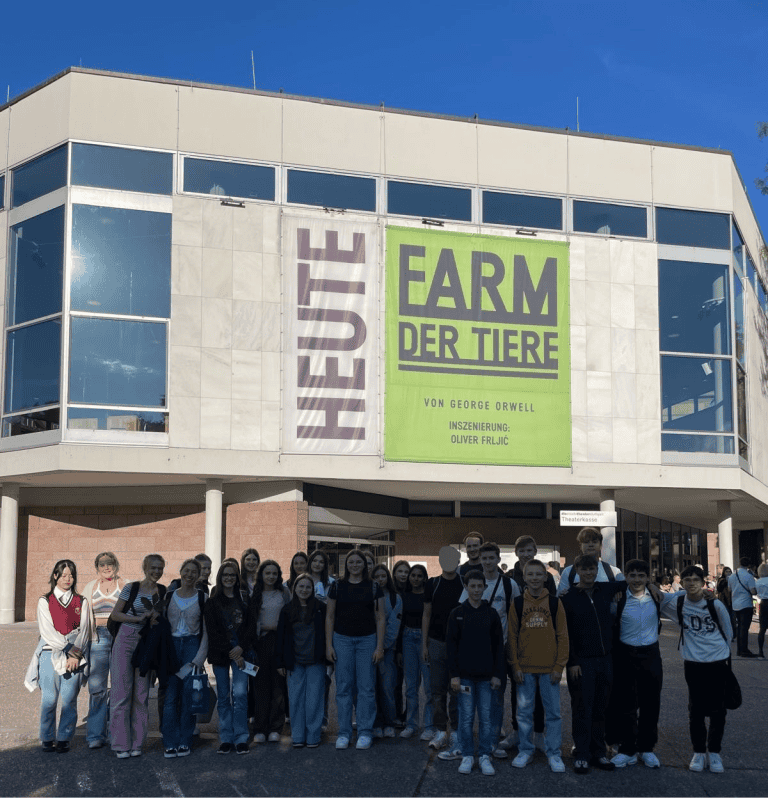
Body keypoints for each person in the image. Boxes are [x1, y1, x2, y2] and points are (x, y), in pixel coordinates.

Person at [659, 565, 733, 773]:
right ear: (681, 583)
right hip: (693, 663)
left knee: (718, 710)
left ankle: (715, 752)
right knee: (696, 709)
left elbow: (728, 631)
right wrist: (680, 592)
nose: (691, 583)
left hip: (717, 661)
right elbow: (659, 601)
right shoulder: (680, 602)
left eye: (695, 580)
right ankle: (699, 752)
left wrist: (722, 655)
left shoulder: (715, 604)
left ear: (703, 582)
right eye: (687, 580)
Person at [453, 542, 518, 761]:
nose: (488, 562)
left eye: (492, 558)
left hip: (502, 646)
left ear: (499, 559)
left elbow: (515, 615)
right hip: (476, 652)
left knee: (496, 697)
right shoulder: (472, 581)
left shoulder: (509, 585)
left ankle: (492, 742)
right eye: (485, 558)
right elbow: (464, 613)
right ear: (480, 560)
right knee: (470, 705)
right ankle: (468, 746)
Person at [507, 559, 569, 773]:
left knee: (553, 713)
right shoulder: (517, 603)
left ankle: (553, 752)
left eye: (538, 574)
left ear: (545, 577)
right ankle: (526, 749)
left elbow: (562, 635)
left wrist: (559, 666)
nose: (534, 578)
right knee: (524, 713)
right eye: (530, 574)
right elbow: (512, 637)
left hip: (549, 669)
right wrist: (515, 666)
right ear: (524, 578)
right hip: (524, 668)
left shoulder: (554, 602)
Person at [25, 559, 91, 753]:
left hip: (75, 656)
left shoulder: (82, 601)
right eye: (63, 575)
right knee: (49, 698)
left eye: (71, 575)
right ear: (55, 576)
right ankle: (47, 736)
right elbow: (47, 631)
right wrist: (69, 648)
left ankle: (64, 737)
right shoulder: (45, 600)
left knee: (69, 698)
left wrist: (75, 655)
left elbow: (85, 630)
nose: (67, 579)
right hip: (49, 653)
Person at [560, 554, 618, 775]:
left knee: (601, 708)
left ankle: (599, 752)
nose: (589, 573)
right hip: (581, 662)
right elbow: (566, 633)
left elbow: (633, 581)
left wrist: (652, 586)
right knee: (582, 708)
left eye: (592, 569)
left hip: (605, 659)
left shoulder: (605, 589)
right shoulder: (568, 597)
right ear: (577, 571)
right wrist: (572, 661)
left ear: (597, 570)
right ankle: (582, 753)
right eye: (584, 570)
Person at [446, 570, 505, 776]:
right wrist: (454, 675)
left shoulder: (491, 614)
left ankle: (485, 755)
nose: (477, 590)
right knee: (466, 717)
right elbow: (451, 648)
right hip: (464, 676)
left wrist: (498, 673)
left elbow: (499, 647)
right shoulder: (457, 614)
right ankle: (468, 755)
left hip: (487, 677)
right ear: (466, 587)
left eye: (480, 586)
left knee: (487, 718)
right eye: (473, 586)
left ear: (485, 587)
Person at [326, 548, 385, 750]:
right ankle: (344, 732)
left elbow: (381, 618)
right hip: (342, 640)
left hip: (367, 641)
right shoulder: (336, 586)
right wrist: (328, 645)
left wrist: (379, 646)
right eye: (351, 562)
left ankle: (364, 731)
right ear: (346, 565)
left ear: (365, 565)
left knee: (366, 688)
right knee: (343, 687)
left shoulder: (374, 587)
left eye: (359, 562)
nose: (355, 565)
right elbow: (330, 617)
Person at [108, 553, 166, 758]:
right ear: (145, 567)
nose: (157, 572)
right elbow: (115, 614)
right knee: (121, 693)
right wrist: (139, 617)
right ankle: (120, 744)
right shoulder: (131, 588)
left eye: (160, 568)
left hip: (146, 643)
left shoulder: (162, 591)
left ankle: (137, 744)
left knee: (141, 695)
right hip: (126, 638)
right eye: (153, 567)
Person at [502, 535, 555, 754]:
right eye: (522, 551)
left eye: (530, 550)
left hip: (541, 642)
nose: (526, 554)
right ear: (516, 553)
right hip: (518, 642)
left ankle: (540, 734)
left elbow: (552, 607)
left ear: (535, 552)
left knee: (541, 695)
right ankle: (517, 732)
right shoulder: (509, 577)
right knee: (518, 691)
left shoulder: (547, 577)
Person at [609, 559, 663, 769]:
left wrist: (706, 594)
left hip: (651, 655)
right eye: (632, 575)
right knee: (626, 704)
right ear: (626, 576)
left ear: (648, 577)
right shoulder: (619, 599)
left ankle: (647, 748)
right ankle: (627, 749)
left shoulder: (658, 598)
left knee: (651, 704)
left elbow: (684, 599)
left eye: (642, 576)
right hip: (626, 655)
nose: (637, 580)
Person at [204, 562, 253, 755]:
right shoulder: (212, 602)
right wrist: (232, 651)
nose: (229, 578)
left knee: (240, 696)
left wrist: (241, 648)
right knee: (223, 697)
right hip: (221, 654)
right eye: (225, 575)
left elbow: (250, 627)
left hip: (242, 653)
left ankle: (241, 738)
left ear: (237, 577)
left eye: (232, 575)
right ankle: (226, 738)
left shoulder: (245, 599)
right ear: (220, 577)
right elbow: (213, 632)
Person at [161, 559, 209, 758]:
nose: (189, 575)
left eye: (193, 572)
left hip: (191, 647)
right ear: (180, 572)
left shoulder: (202, 597)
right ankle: (170, 741)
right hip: (172, 647)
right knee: (171, 697)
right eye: (186, 571)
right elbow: (162, 628)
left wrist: (200, 657)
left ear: (198, 575)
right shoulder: (169, 595)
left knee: (189, 695)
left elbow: (207, 631)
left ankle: (185, 740)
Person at [81, 552, 127, 749]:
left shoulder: (125, 585)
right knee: (97, 689)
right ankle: (95, 735)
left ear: (116, 565)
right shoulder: (91, 587)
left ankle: (116, 734)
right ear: (96, 567)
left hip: (119, 638)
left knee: (119, 688)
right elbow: (83, 617)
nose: (106, 567)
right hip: (97, 638)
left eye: (110, 564)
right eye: (102, 565)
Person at [276, 574, 328, 748]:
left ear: (312, 590)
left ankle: (313, 736)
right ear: (294, 589)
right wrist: (281, 662)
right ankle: (298, 736)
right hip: (295, 661)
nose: (304, 590)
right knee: (296, 699)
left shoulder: (321, 608)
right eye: (301, 587)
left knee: (314, 700)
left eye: (308, 587)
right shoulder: (287, 609)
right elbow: (281, 638)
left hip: (316, 661)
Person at [423, 546, 464, 751]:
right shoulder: (433, 583)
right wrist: (424, 644)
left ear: (458, 560)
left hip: (460, 644)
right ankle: (441, 730)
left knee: (457, 690)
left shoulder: (464, 583)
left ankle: (456, 731)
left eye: (452, 558)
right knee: (437, 690)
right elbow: (427, 615)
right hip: (436, 642)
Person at [250, 560, 291, 742]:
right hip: (260, 644)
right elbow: (251, 621)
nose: (271, 576)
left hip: (279, 643)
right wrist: (269, 626)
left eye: (274, 573)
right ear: (261, 575)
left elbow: (290, 617)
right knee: (260, 686)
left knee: (278, 687)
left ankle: (276, 727)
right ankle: (260, 728)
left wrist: (277, 629)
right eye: (268, 573)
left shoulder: (284, 592)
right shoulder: (255, 593)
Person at [399, 564, 434, 740]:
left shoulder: (429, 596)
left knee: (428, 687)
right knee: (411, 686)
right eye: (413, 575)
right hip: (407, 637)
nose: (416, 578)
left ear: (424, 578)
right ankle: (411, 724)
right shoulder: (403, 596)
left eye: (420, 576)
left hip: (424, 639)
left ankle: (429, 726)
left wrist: (426, 645)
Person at [371, 564, 402, 738]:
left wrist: (382, 646)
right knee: (371, 688)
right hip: (368, 648)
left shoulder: (395, 598)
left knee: (387, 687)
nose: (380, 580)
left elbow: (393, 626)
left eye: (383, 576)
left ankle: (389, 722)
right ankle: (375, 723)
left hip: (387, 650)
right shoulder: (367, 596)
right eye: (376, 577)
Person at [558, 527, 624, 594]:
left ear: (601, 545)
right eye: (586, 542)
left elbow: (628, 594)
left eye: (594, 542)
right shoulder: (568, 572)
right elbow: (560, 599)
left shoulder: (614, 572)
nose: (591, 545)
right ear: (580, 546)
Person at [392, 559, 411, 727]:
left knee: (411, 683)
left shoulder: (413, 590)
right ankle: (397, 714)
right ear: (395, 573)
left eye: (406, 572)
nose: (403, 575)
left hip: (411, 639)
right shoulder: (391, 592)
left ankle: (408, 715)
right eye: (400, 571)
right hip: (394, 641)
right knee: (396, 682)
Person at [728, 557, 757, 657]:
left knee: (739, 627)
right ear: (748, 565)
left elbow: (729, 589)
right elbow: (753, 591)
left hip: (735, 604)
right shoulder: (749, 576)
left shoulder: (732, 575)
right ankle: (743, 650)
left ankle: (739, 650)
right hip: (746, 604)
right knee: (744, 628)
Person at [755, 563, 768, 658]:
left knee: (762, 628)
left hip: (763, 603)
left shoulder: (757, 582)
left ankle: (760, 651)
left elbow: (755, 593)